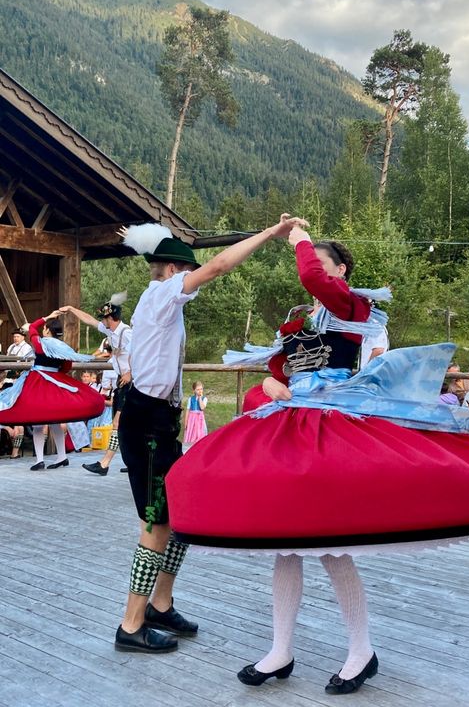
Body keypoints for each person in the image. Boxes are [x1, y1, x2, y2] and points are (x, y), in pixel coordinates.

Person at [167, 228, 469, 692]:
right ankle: (281, 650)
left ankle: (361, 650)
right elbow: (280, 373)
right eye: (310, 258)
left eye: (319, 260)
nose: (311, 265)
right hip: (291, 423)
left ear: (340, 270)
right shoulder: (302, 317)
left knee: (331, 546)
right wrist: (269, 386)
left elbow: (315, 280)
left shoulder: (354, 306)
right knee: (283, 544)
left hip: (330, 421)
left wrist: (298, 240)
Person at [113, 214, 307, 655]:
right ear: (169, 269)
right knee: (156, 522)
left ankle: (160, 605)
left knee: (176, 516)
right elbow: (219, 266)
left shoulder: (161, 299)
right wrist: (270, 233)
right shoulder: (162, 294)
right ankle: (130, 624)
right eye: (185, 271)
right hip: (148, 421)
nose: (189, 279)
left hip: (160, 418)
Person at [0, 313, 105, 471]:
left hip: (38, 382)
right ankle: (62, 456)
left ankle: (40, 460)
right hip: (55, 381)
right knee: (54, 419)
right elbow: (67, 367)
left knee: (37, 422)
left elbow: (33, 327)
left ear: (48, 330)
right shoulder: (62, 347)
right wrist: (56, 373)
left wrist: (48, 316)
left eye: (45, 328)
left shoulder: (41, 342)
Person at [60, 294, 131, 476]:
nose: (102, 322)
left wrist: (131, 372)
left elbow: (143, 354)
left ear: (110, 318)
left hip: (132, 383)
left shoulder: (126, 333)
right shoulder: (111, 332)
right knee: (128, 425)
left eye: (104, 318)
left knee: (117, 423)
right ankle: (134, 462)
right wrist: (72, 309)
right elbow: (90, 321)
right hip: (122, 384)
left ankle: (104, 463)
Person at [183, 381, 208, 450]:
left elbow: (202, 408)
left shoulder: (204, 399)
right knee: (191, 432)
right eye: (198, 389)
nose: (200, 391)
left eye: (201, 389)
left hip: (199, 419)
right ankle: (190, 447)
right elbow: (188, 410)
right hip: (192, 419)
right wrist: (186, 422)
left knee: (199, 433)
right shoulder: (191, 399)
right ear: (194, 390)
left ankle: (199, 447)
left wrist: (200, 398)